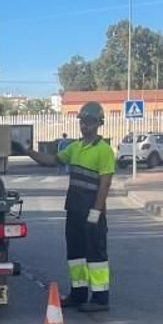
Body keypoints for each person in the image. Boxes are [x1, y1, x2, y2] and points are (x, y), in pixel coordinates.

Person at [55, 101, 115, 312]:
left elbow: (105, 182)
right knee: (75, 255)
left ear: (99, 123)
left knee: (96, 256)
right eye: (82, 122)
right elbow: (52, 160)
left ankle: (100, 298)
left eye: (89, 122)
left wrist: (96, 212)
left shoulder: (104, 150)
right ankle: (78, 294)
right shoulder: (75, 147)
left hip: (91, 212)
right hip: (74, 209)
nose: (85, 126)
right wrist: (25, 150)